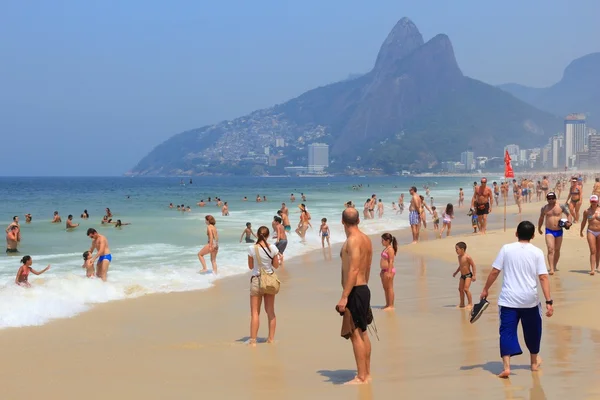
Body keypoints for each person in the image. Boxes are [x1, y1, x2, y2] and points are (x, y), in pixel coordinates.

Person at [480, 221, 554, 378]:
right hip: (530, 300)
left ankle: (506, 367)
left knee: (506, 331)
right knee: (533, 331)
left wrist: (486, 289)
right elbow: (543, 277)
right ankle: (534, 363)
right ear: (533, 235)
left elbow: (495, 271)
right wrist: (549, 301)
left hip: (508, 300)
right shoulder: (537, 252)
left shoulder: (506, 249)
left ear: (516, 233)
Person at [336, 207, 373, 384]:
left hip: (355, 290)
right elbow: (367, 267)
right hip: (363, 288)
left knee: (355, 334)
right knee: (363, 333)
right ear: (358, 220)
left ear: (342, 221)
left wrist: (345, 296)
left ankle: (361, 376)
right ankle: (367, 373)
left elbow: (354, 268)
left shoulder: (352, 240)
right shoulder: (366, 239)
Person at [247, 226, 280, 346]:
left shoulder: (251, 248)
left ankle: (253, 341)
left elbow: (250, 266)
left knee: (255, 312)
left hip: (256, 280)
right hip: (269, 281)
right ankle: (270, 339)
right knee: (270, 311)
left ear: (257, 234)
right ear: (268, 235)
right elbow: (276, 265)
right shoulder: (273, 248)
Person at [537, 192, 571, 275]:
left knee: (557, 249)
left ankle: (555, 265)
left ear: (555, 198)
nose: (551, 200)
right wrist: (539, 228)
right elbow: (541, 218)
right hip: (549, 230)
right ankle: (551, 268)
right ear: (547, 199)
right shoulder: (544, 208)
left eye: (553, 198)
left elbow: (568, 214)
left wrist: (569, 222)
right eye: (549, 198)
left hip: (559, 230)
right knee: (550, 249)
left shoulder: (561, 206)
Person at [452, 242, 476, 308]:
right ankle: (462, 303)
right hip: (462, 276)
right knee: (460, 289)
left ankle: (470, 303)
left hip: (468, 275)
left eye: (457, 249)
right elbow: (461, 266)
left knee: (466, 289)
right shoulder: (459, 257)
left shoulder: (467, 257)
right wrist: (456, 272)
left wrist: (474, 275)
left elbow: (473, 265)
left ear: (462, 249)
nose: (456, 251)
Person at [580, 195, 600, 275]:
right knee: (593, 250)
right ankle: (592, 269)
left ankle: (597, 267)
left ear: (598, 201)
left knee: (598, 250)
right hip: (591, 231)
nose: (594, 203)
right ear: (590, 201)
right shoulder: (587, 211)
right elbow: (584, 221)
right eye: (592, 201)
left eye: (595, 201)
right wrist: (581, 230)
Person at [380, 233, 397, 311]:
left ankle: (391, 305)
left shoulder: (390, 249)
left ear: (388, 240)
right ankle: (387, 304)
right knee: (385, 288)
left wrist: (389, 273)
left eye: (383, 240)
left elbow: (390, 261)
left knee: (389, 288)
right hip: (384, 271)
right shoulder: (386, 248)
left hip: (389, 270)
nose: (381, 241)